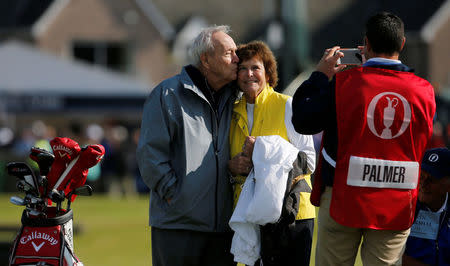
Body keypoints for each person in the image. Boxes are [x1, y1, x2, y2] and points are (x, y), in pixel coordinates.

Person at [291, 12, 436, 265]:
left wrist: (320, 75)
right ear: (401, 45)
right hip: (396, 204)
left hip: (343, 200)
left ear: (366, 44)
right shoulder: (424, 91)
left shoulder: (344, 84)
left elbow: (303, 119)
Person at [136, 25, 239, 266]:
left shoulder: (237, 97)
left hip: (225, 228)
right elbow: (150, 155)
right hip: (178, 226)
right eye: (228, 53)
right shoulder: (166, 94)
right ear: (206, 59)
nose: (237, 59)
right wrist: (176, 195)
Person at [228, 40, 316, 266]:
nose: (249, 74)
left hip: (293, 215)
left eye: (255, 67)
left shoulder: (288, 105)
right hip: (251, 215)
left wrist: (263, 154)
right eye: (242, 68)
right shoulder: (230, 113)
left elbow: (309, 161)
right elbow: (228, 164)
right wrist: (231, 166)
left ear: (268, 73)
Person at [402, 147, 450, 266]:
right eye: (421, 177)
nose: (423, 184)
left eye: (431, 179)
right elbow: (389, 253)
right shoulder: (405, 208)